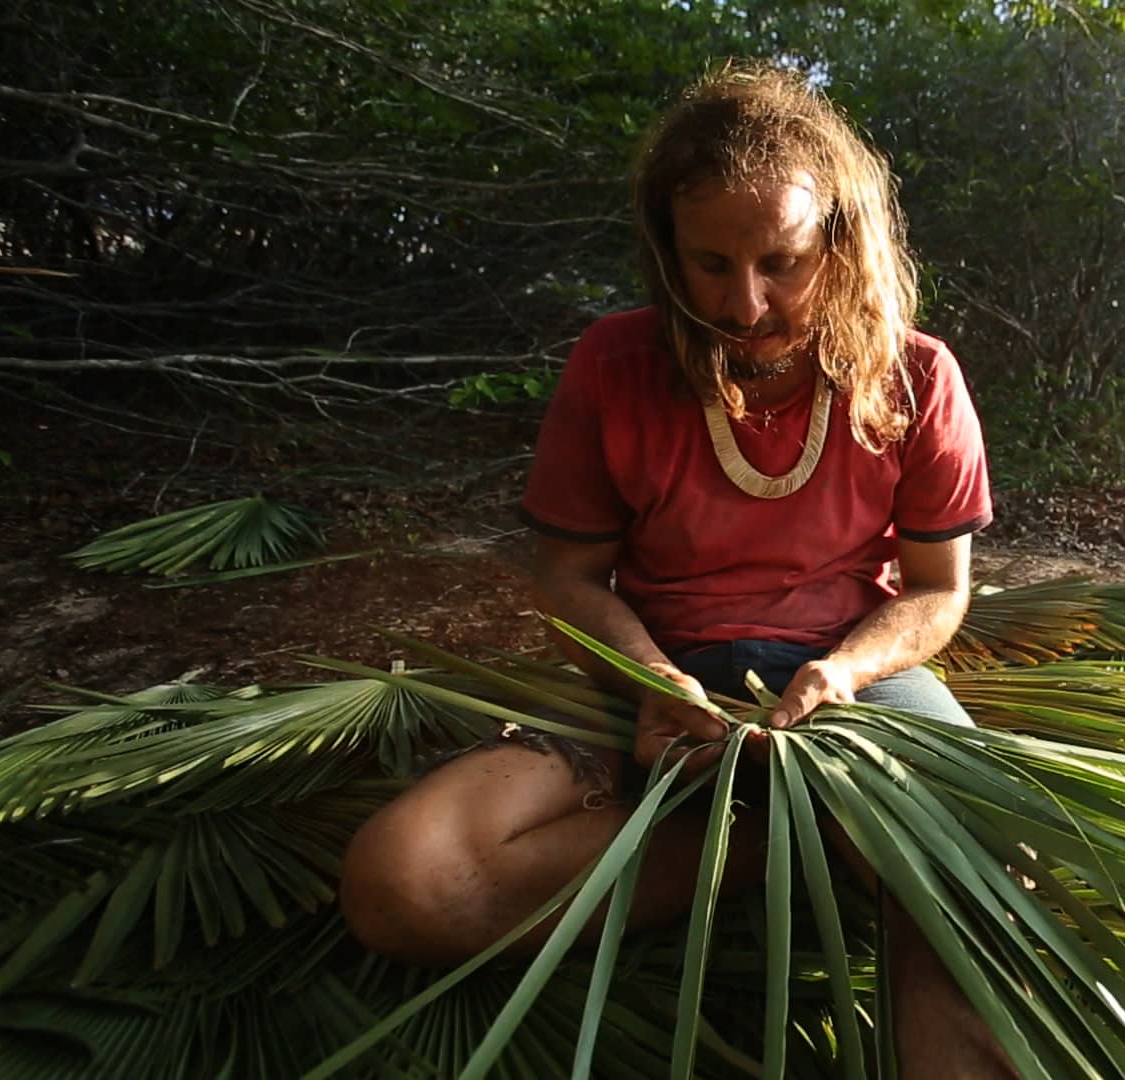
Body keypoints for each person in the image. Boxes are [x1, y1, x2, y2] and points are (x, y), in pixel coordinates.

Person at [338, 63, 1014, 1077]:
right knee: (404, 880)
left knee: (980, 879)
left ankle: (846, 831)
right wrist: (651, 681)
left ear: (840, 242)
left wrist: (849, 672)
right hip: (649, 684)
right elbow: (567, 579)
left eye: (782, 262)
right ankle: (782, 847)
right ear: (667, 250)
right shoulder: (615, 367)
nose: (745, 303)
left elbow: (935, 590)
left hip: (844, 691)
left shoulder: (917, 376)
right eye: (711, 265)